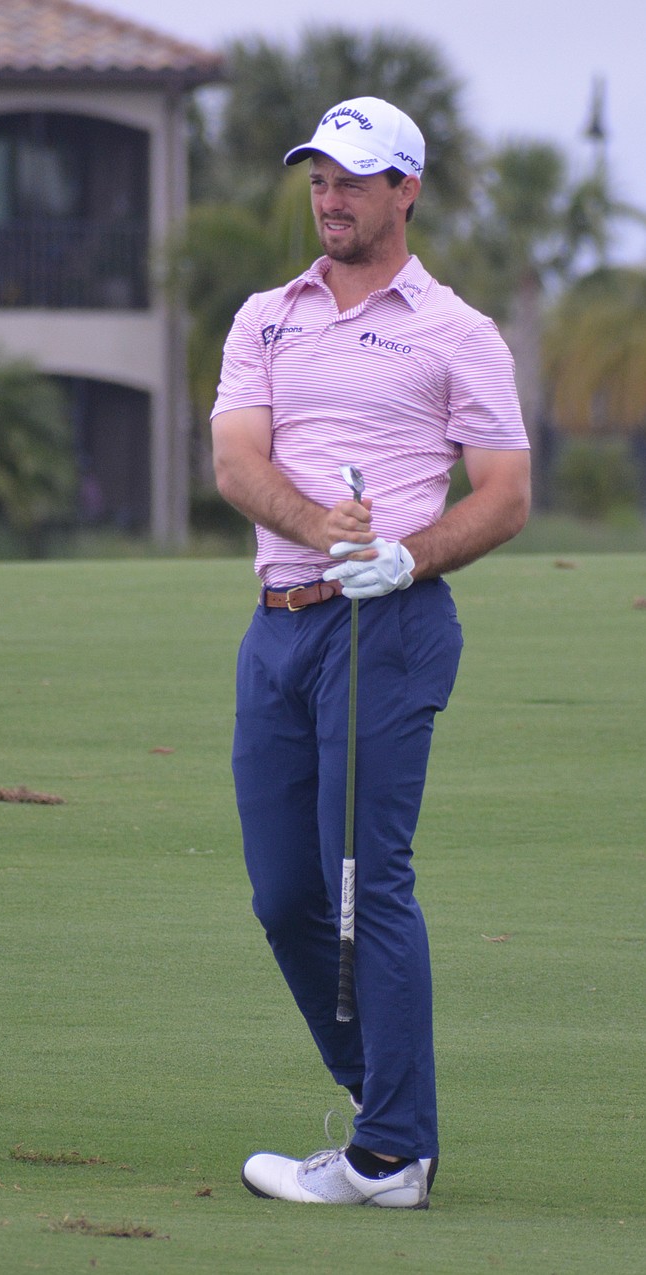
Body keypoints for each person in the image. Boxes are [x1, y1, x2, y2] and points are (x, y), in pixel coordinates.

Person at [210, 95, 531, 1209]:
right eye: (317, 177)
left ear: (406, 189)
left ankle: (392, 1154)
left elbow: (505, 495)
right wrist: (321, 532)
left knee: (364, 886)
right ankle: (383, 1112)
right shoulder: (265, 317)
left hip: (388, 629)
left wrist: (407, 557)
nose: (328, 197)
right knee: (285, 894)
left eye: (352, 178)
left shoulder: (457, 333)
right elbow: (237, 462)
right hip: (280, 627)